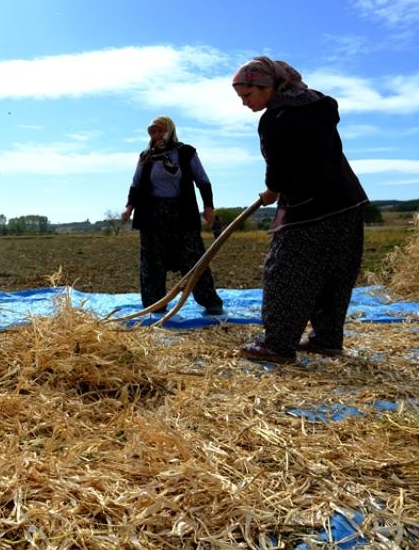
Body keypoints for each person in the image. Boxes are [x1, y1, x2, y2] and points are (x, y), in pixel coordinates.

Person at [232, 57, 369, 363]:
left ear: (267, 87)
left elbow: (278, 167)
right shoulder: (317, 105)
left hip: (309, 208)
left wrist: (271, 190)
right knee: (335, 274)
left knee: (285, 273)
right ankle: (327, 339)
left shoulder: (277, 118)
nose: (244, 103)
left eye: (247, 95)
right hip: (348, 201)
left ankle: (278, 345)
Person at [121, 115, 225, 316]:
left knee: (193, 259)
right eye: (152, 132)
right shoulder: (145, 157)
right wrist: (129, 207)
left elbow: (203, 181)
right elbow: (135, 184)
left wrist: (209, 207)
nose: (156, 135)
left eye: (160, 130)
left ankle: (210, 301)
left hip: (181, 214)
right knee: (151, 263)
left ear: (169, 131)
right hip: (152, 216)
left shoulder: (185, 153)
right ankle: (155, 305)